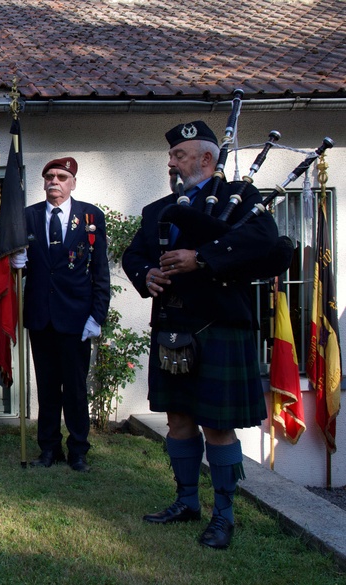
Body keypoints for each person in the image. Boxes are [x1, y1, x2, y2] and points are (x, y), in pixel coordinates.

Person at [121, 121, 278, 549]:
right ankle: (186, 501)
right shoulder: (158, 209)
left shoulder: (241, 199)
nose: (171, 162)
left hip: (220, 329)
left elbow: (266, 245)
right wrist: (146, 273)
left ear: (206, 159)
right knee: (178, 420)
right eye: (171, 155)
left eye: (179, 155)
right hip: (172, 329)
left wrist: (203, 259)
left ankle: (224, 515)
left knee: (219, 427)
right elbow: (132, 254)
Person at [17, 157, 110, 473]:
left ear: (72, 182)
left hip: (76, 318)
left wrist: (97, 316)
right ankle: (48, 448)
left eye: (61, 176)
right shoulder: (28, 216)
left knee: (74, 387)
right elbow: (25, 263)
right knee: (46, 387)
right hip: (41, 316)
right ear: (43, 182)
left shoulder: (89, 216)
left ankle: (79, 450)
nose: (54, 181)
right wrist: (16, 262)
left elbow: (100, 271)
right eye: (49, 176)